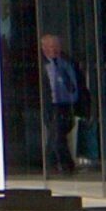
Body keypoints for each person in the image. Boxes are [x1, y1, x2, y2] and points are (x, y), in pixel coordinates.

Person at [38, 34, 86, 170]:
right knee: (57, 134)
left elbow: (78, 82)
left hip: (68, 103)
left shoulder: (67, 62)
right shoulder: (41, 64)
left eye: (57, 46)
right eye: (51, 46)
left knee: (58, 134)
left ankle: (49, 164)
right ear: (44, 48)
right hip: (52, 105)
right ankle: (66, 164)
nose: (55, 50)